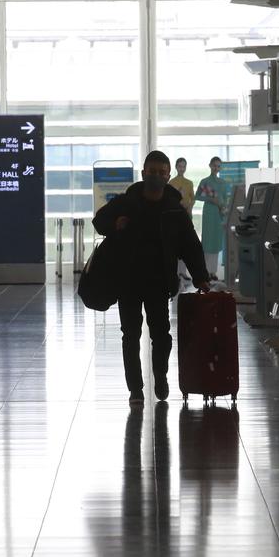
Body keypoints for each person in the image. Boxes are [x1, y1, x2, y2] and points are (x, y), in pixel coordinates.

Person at [94, 151, 210, 406]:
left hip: (160, 282)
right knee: (130, 335)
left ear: (168, 175)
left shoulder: (174, 210)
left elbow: (190, 245)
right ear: (143, 172)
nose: (157, 176)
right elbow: (99, 220)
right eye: (152, 171)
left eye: (161, 172)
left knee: (162, 335)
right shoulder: (127, 202)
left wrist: (200, 277)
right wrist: (116, 223)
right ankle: (135, 388)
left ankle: (160, 375)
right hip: (128, 281)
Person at [196, 156, 232, 278]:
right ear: (210, 165)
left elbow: (226, 199)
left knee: (216, 241)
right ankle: (205, 270)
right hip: (208, 213)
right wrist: (211, 199)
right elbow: (197, 196)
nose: (216, 168)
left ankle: (213, 272)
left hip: (218, 213)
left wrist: (224, 208)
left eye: (218, 166)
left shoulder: (223, 183)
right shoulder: (205, 181)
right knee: (207, 241)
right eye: (214, 165)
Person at [168, 158, 197, 289]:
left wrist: (189, 207)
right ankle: (175, 273)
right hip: (174, 217)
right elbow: (169, 199)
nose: (182, 168)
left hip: (186, 216)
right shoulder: (171, 183)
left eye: (184, 166)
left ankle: (183, 273)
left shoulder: (189, 183)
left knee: (185, 244)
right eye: (180, 166)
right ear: (176, 167)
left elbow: (193, 198)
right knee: (175, 244)